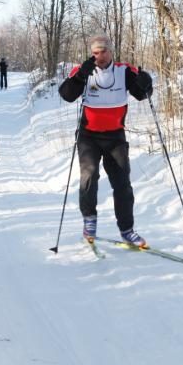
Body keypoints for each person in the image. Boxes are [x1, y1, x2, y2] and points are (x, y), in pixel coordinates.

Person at [58, 34, 153, 248]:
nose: (98, 56)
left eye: (102, 52)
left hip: (115, 137)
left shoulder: (124, 71)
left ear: (110, 52)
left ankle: (127, 230)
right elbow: (66, 94)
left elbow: (141, 94)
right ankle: (89, 221)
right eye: (95, 53)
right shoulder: (83, 70)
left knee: (122, 185)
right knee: (89, 176)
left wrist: (146, 84)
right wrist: (79, 77)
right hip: (88, 136)